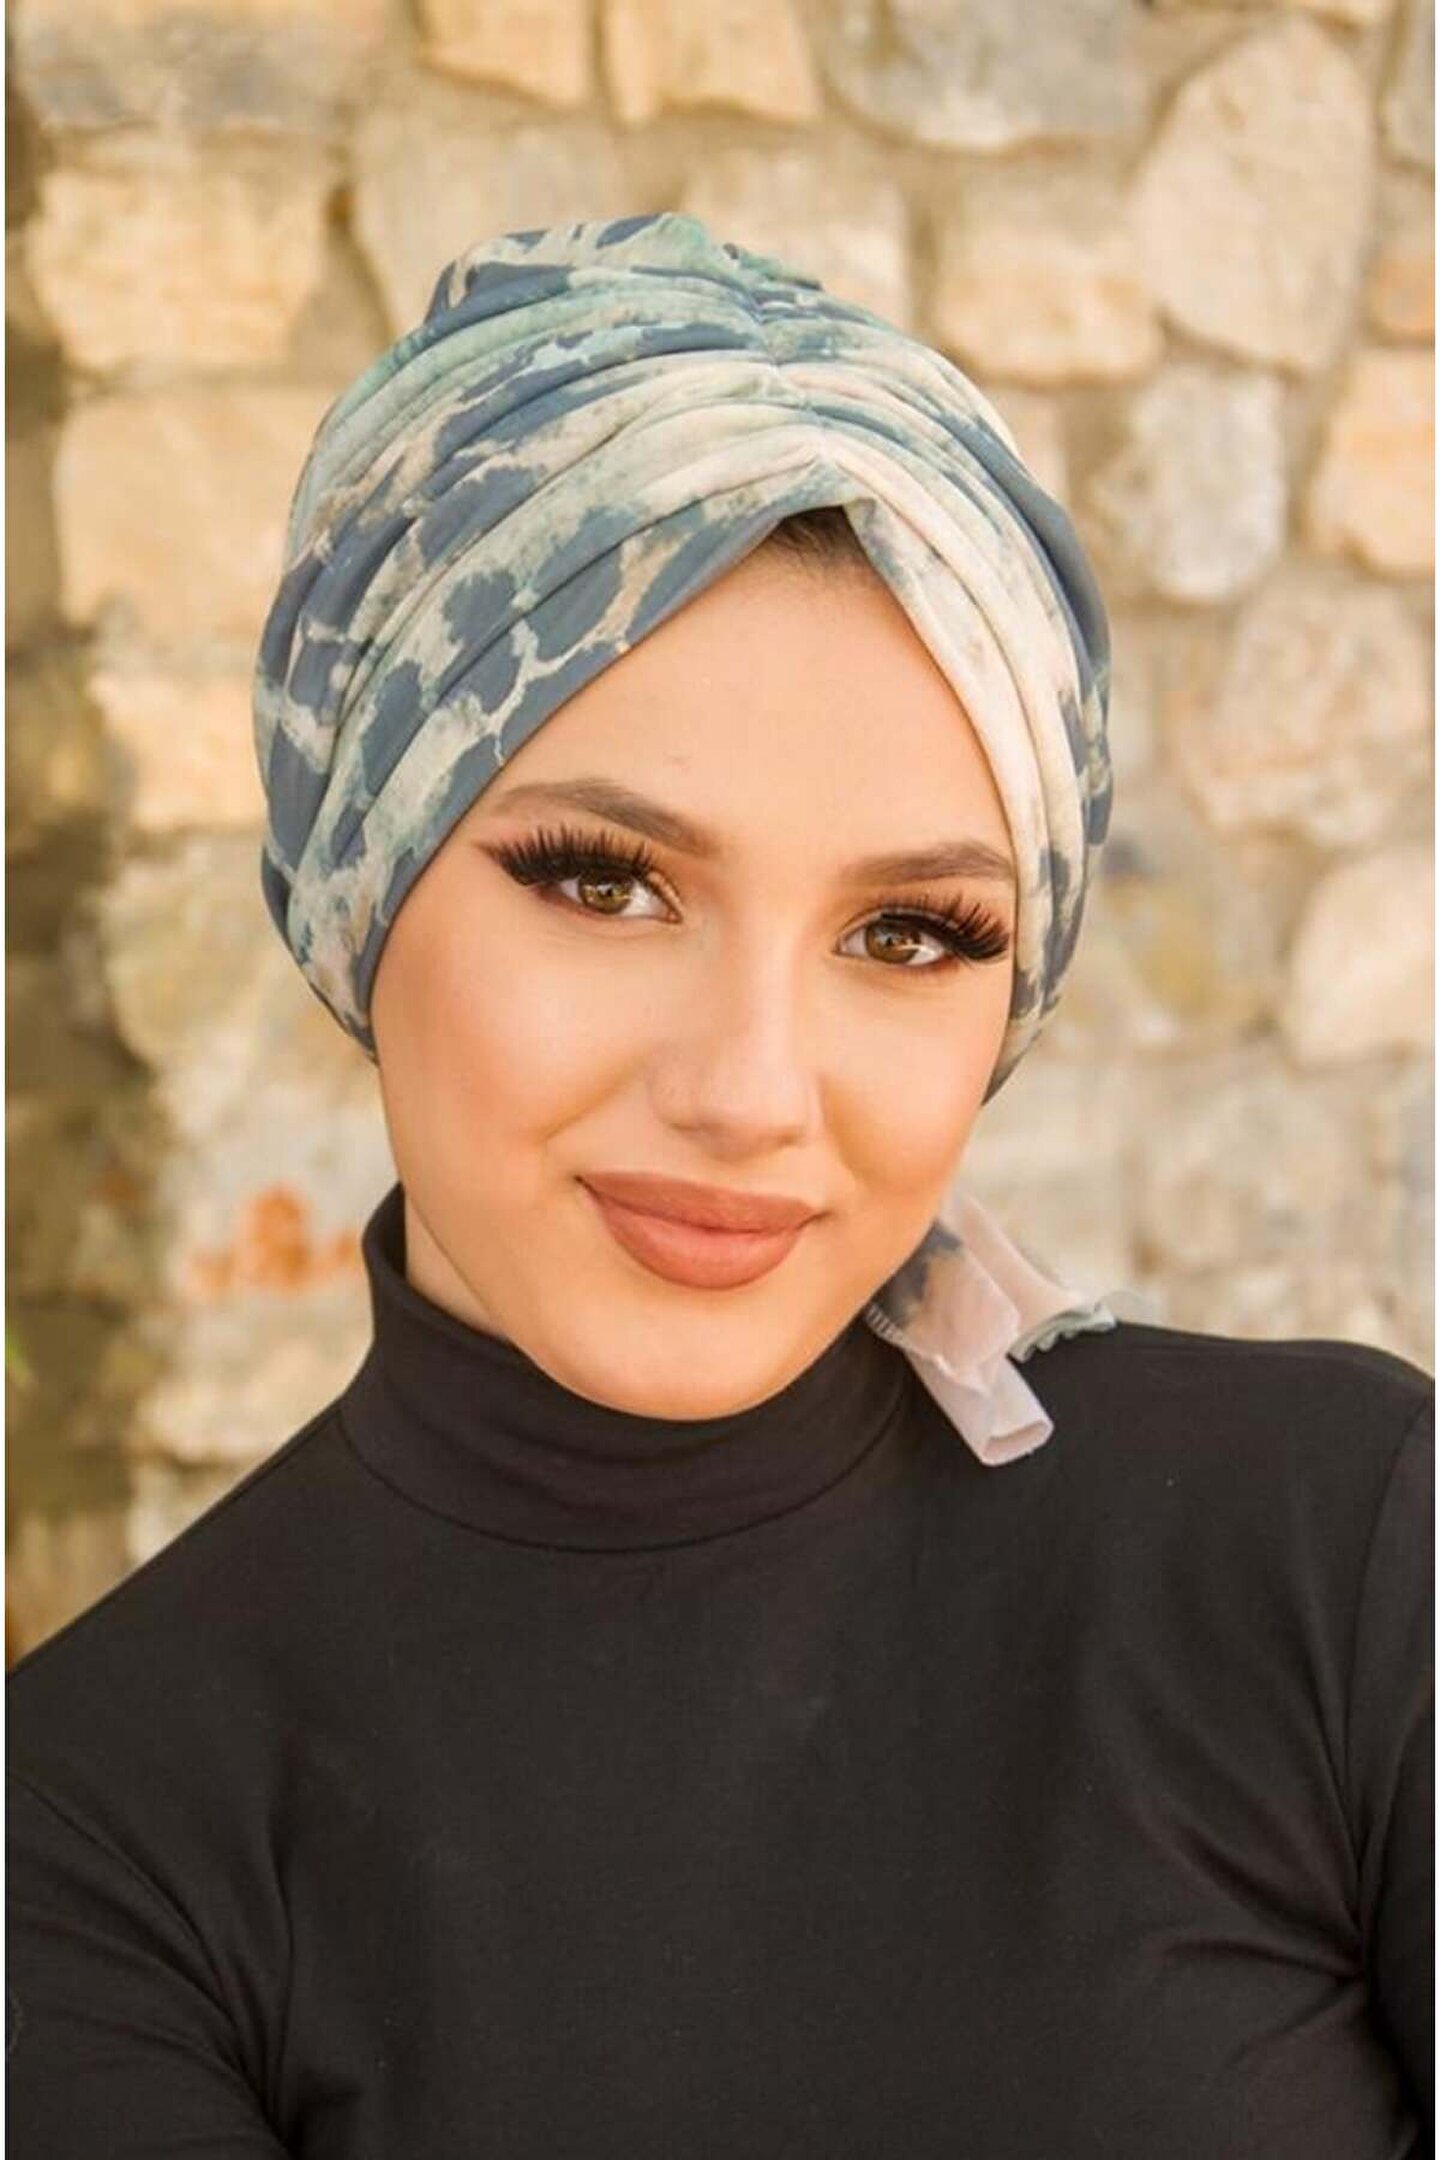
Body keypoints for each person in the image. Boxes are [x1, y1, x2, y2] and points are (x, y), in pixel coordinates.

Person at [7, 214, 1432, 2158]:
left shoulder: (1343, 1549)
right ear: (363, 875)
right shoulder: (84, 1855)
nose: (752, 1093)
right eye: (604, 883)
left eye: (911, 934)